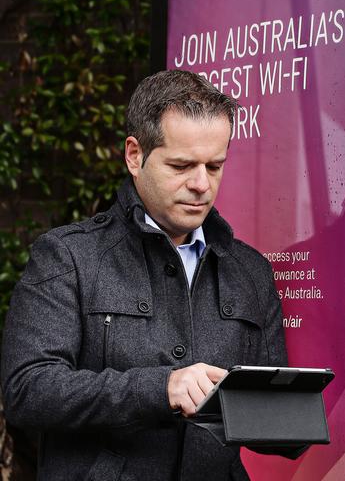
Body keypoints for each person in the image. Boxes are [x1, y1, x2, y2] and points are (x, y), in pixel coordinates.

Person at [1, 70, 287, 480]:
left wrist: (293, 411)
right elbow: (28, 391)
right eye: (182, 165)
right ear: (134, 155)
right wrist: (160, 389)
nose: (201, 184)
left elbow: (276, 425)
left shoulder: (252, 270)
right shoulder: (68, 255)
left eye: (215, 165)